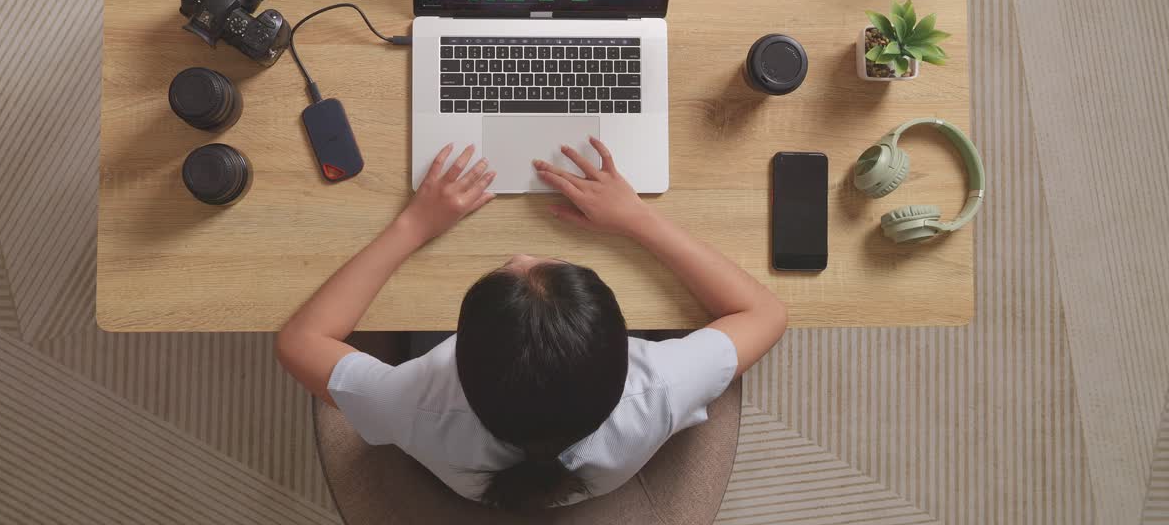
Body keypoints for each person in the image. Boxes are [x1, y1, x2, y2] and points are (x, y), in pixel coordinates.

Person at [277, 138, 788, 511]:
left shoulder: (414, 403)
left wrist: (412, 226)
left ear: (460, 356)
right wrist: (638, 219)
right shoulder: (658, 389)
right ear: (621, 346)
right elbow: (766, 313)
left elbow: (300, 342)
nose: (521, 251)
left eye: (508, 270)